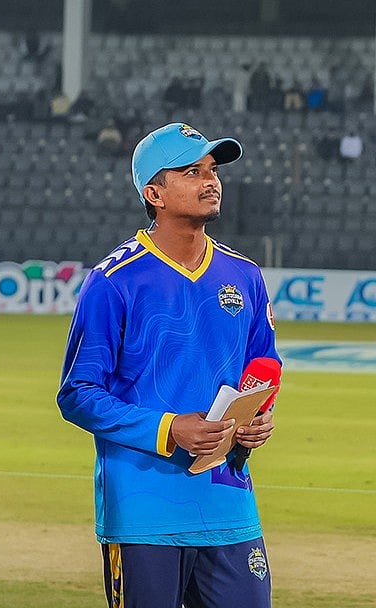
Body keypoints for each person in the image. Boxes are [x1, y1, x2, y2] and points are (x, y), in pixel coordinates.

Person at [57, 122, 279, 608]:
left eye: (212, 170)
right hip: (143, 513)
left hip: (228, 503)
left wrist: (256, 420)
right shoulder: (113, 280)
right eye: (192, 171)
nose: (211, 180)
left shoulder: (245, 275)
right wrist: (170, 428)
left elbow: (263, 366)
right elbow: (77, 394)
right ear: (154, 193)